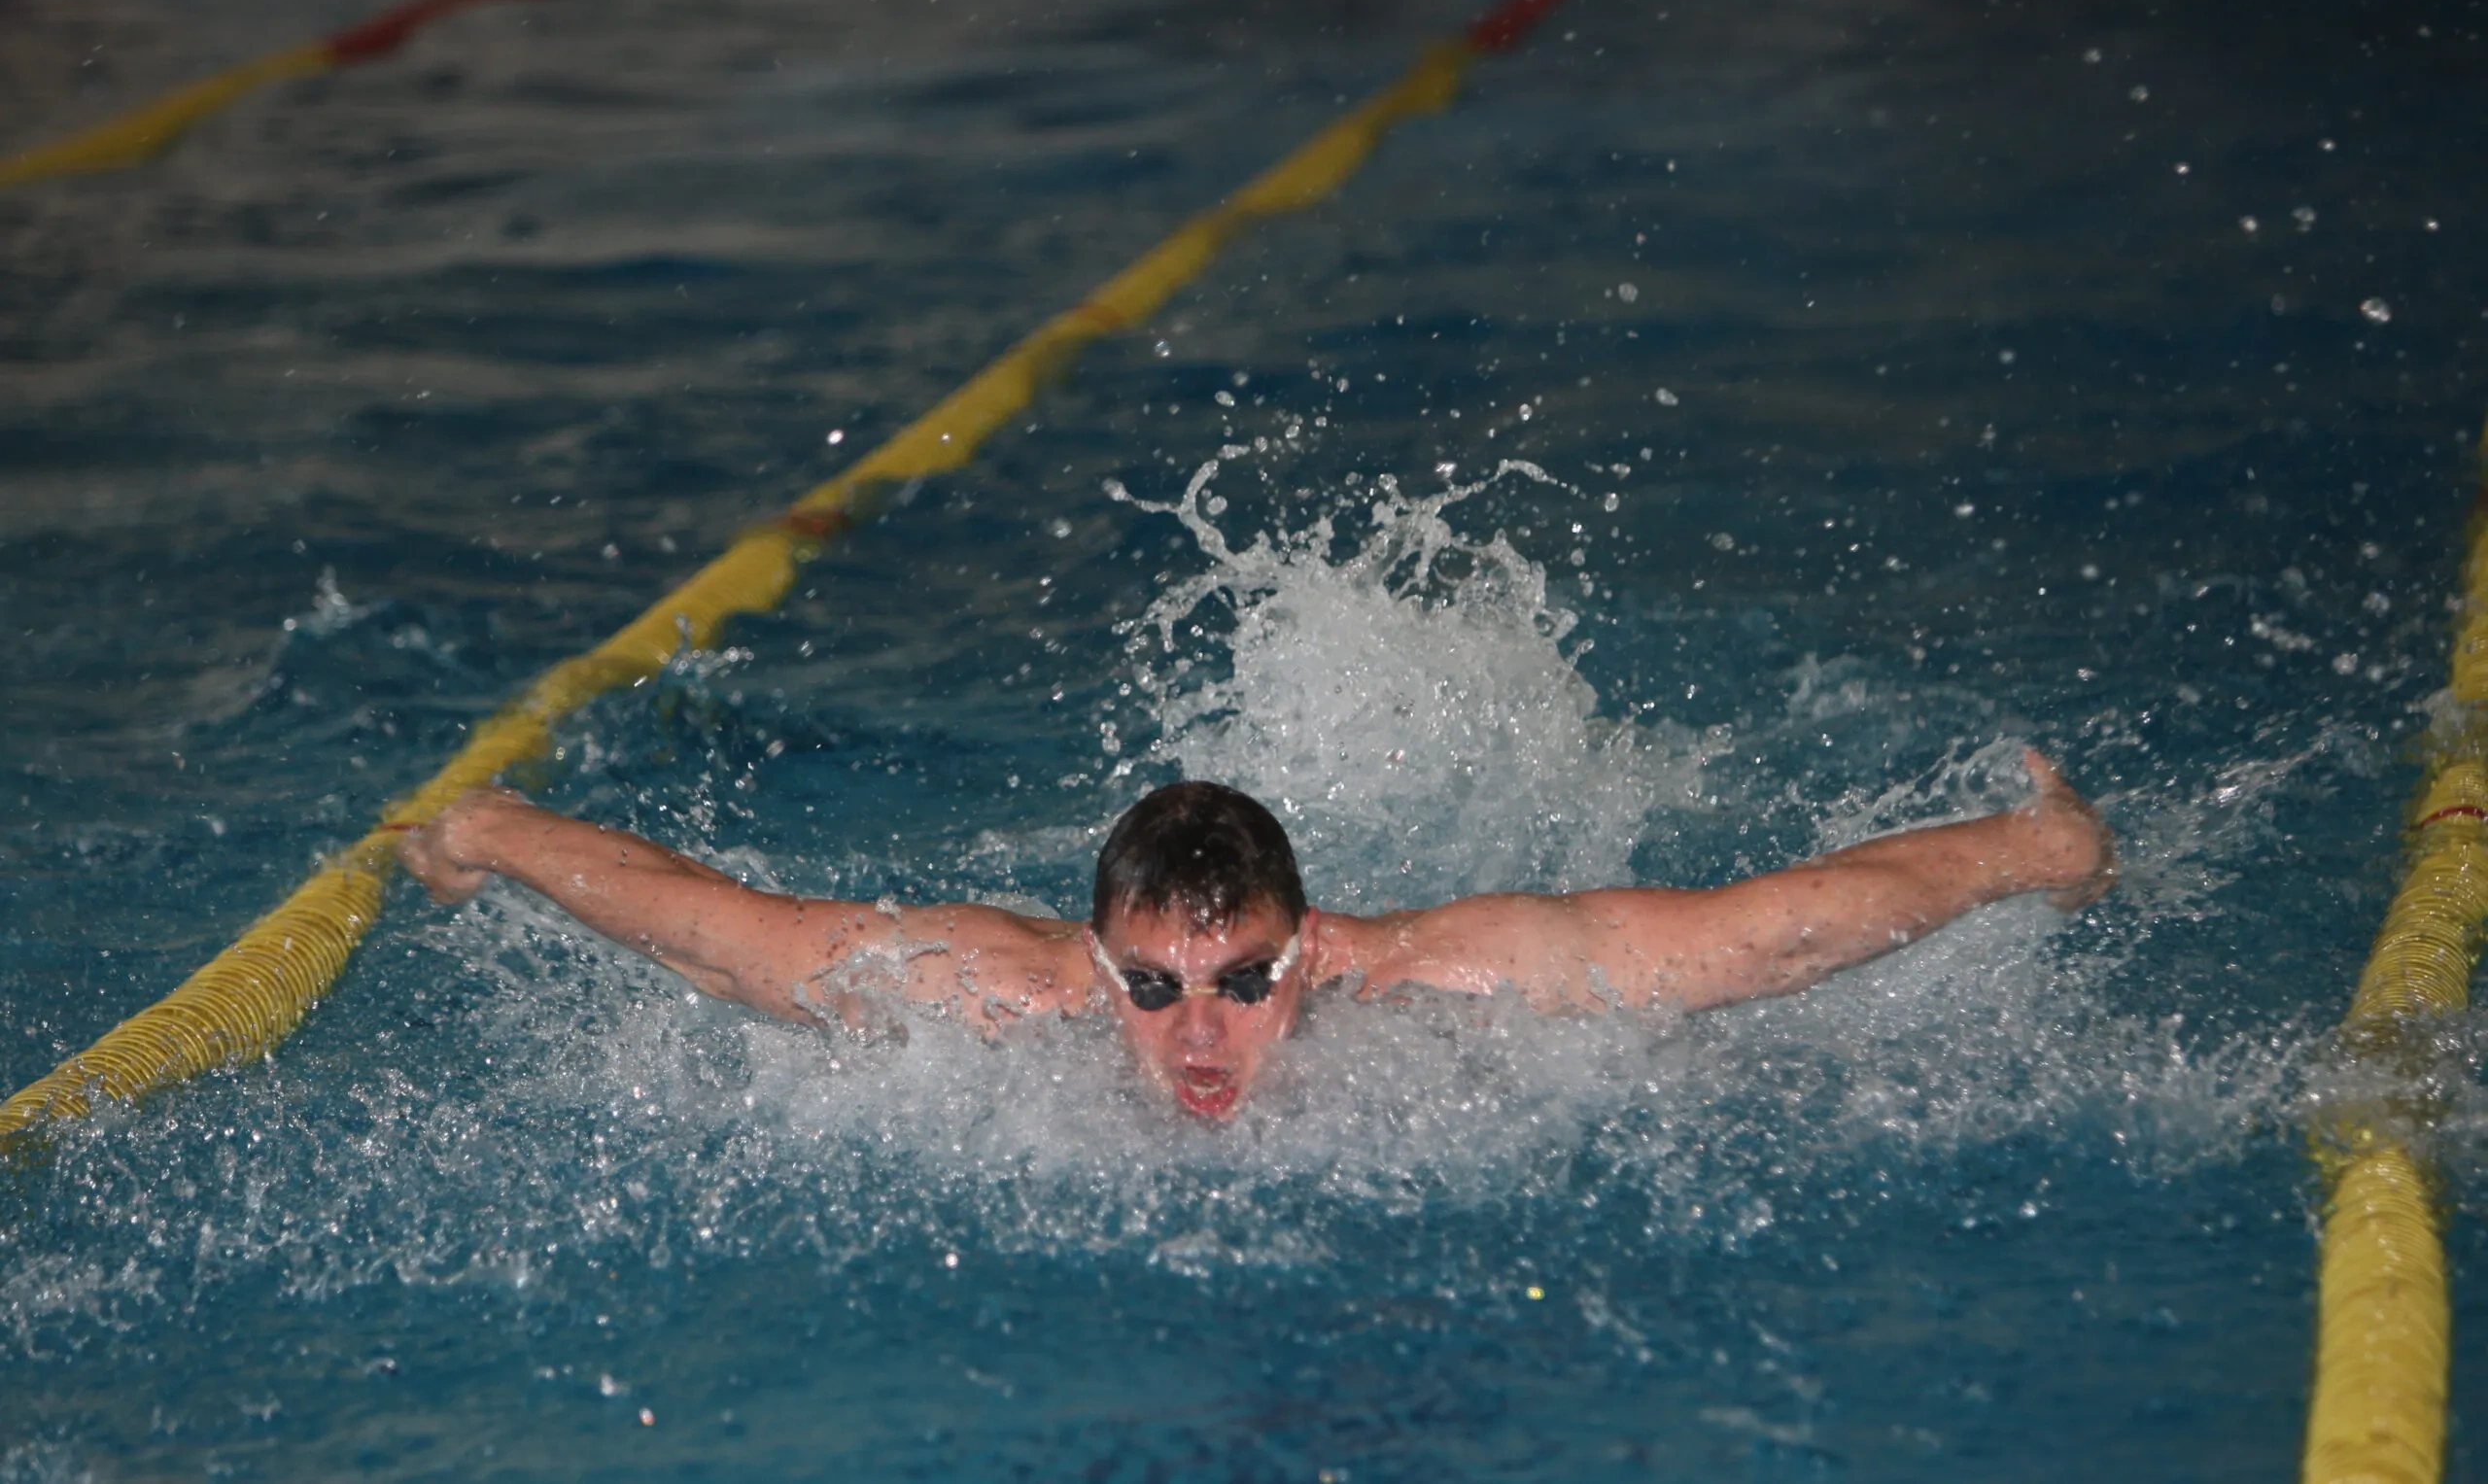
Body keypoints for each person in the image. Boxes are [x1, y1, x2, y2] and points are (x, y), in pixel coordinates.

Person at [397, 751, 2114, 1121]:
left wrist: (2028, 850)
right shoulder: (998, 994)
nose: (1199, 1035)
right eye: (1150, 988)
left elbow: (1766, 940)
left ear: (1310, 951)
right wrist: (488, 833)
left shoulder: (1450, 970)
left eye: (1243, 983)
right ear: (1097, 965)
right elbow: (719, 934)